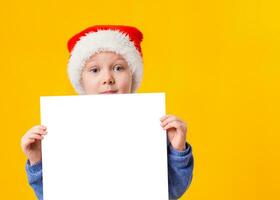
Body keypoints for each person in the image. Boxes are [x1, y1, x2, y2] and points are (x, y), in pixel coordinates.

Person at [21, 25, 194, 200]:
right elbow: (53, 196)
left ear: (132, 74)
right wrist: (38, 161)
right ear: (81, 80)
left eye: (118, 68)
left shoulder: (152, 127)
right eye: (95, 70)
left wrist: (177, 151)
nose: (108, 79)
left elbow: (171, 192)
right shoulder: (65, 130)